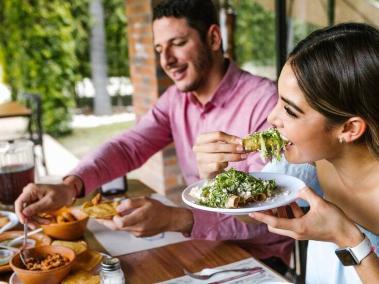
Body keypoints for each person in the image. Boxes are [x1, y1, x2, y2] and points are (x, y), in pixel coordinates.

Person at [15, 0, 293, 273]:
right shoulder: (175, 100)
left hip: (259, 259)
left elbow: (265, 212)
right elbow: (128, 147)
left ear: (213, 38)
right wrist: (71, 186)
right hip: (201, 244)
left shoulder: (265, 103)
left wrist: (176, 218)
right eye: (160, 48)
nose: (166, 61)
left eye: (178, 43)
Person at [194, 23, 379, 283]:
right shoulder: (312, 164)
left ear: (349, 128)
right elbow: (252, 215)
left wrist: (347, 237)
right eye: (279, 100)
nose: (272, 117)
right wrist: (217, 180)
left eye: (290, 111)